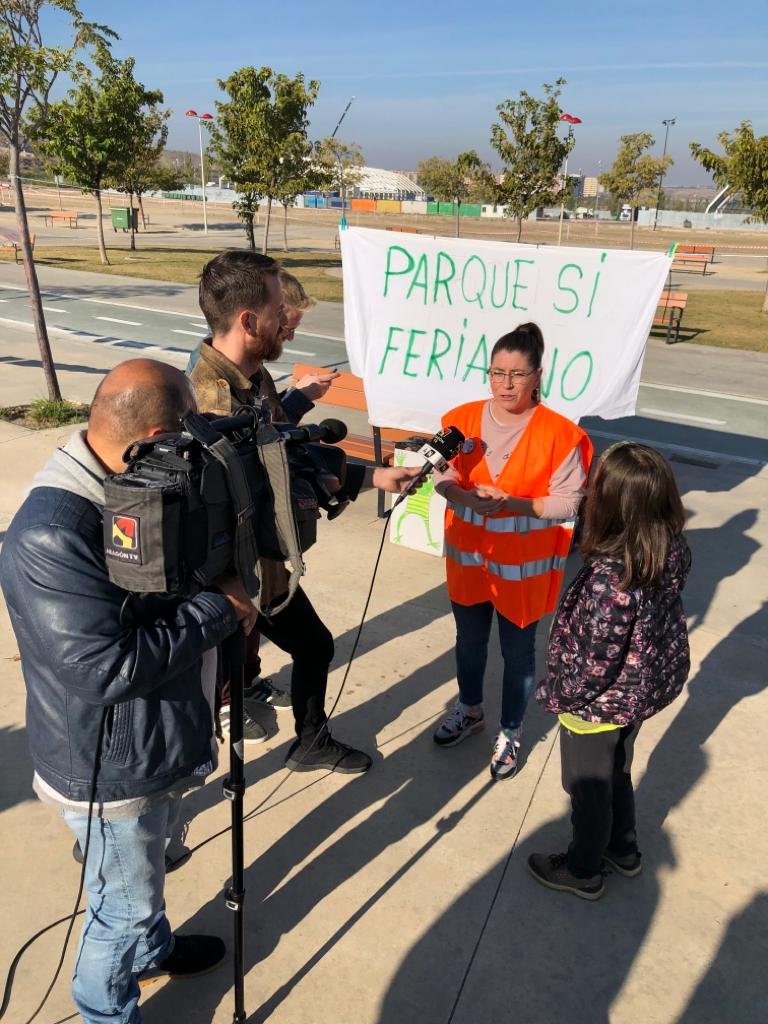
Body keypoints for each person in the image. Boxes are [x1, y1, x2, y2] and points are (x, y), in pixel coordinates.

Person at [0, 360, 258, 1024]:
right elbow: (104, 670)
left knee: (140, 880)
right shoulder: (54, 530)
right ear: (152, 438)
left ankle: (151, 950)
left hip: (150, 740)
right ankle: (105, 1009)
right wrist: (219, 611)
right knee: (122, 903)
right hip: (108, 767)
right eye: (184, 438)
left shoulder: (133, 485)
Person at [189, 249, 419, 774]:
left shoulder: (251, 379)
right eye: (277, 310)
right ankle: (136, 825)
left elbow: (287, 457)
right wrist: (231, 594)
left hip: (263, 567)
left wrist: (371, 476)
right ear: (249, 320)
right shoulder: (212, 400)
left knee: (312, 648)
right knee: (195, 719)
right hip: (239, 578)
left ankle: (305, 735)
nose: (285, 323)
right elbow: (212, 514)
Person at [528, 442, 691, 900]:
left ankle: (583, 870)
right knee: (615, 770)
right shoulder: (666, 548)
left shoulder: (610, 580)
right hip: (637, 696)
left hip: (597, 706)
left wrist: (553, 694)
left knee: (587, 787)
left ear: (611, 505)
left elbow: (592, 667)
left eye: (596, 488)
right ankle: (624, 849)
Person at [432, 322, 593, 780]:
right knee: (469, 643)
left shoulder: (561, 434)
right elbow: (440, 472)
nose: (505, 384)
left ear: (537, 376)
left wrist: (512, 503)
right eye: (497, 372)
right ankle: (469, 709)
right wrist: (460, 496)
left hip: (523, 570)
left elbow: (568, 501)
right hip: (469, 561)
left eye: (517, 374)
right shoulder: (459, 418)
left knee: (519, 655)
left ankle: (510, 731)